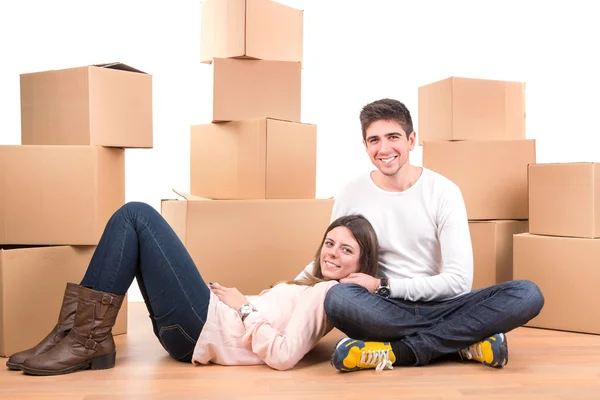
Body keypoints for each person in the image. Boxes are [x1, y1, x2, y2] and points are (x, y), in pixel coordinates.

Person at [296, 98, 545, 372]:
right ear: (366, 146)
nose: (384, 148)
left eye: (393, 137)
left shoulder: (444, 191)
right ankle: (462, 342)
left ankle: (400, 351)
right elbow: (330, 257)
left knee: (526, 293)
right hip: (383, 310)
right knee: (338, 300)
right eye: (374, 140)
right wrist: (279, 294)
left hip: (444, 304)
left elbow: (459, 282)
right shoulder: (351, 192)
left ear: (411, 140)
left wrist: (382, 284)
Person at [6, 202, 380, 375]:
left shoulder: (327, 296)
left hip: (202, 328)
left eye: (346, 250)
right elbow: (318, 266)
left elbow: (283, 355)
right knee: (132, 226)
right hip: (205, 322)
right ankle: (72, 333)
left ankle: (86, 340)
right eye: (329, 243)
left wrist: (242, 306)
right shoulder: (313, 279)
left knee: (136, 216)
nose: (332, 253)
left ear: (361, 264)